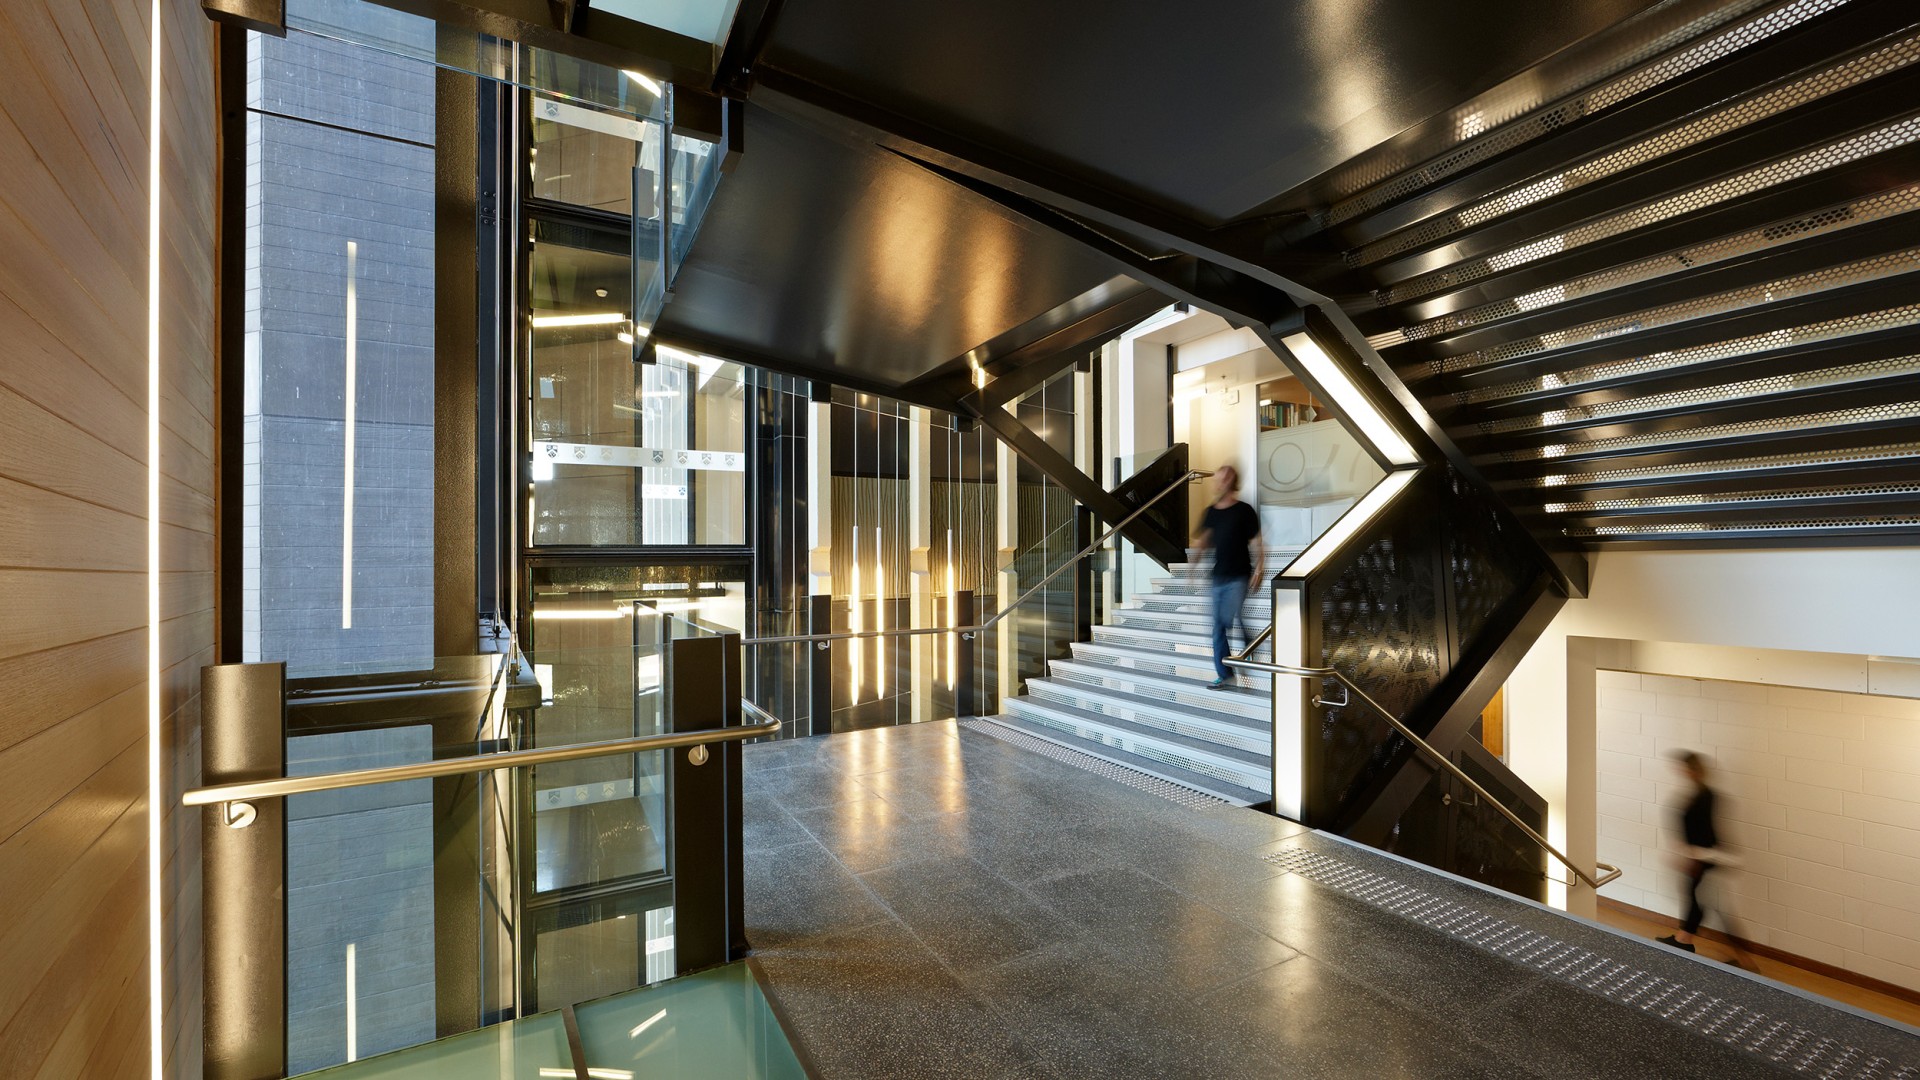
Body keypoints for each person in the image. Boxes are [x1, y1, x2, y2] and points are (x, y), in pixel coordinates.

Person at [1657, 751, 1748, 966]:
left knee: (1712, 905)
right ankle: (1683, 939)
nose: (1680, 771)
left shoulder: (1705, 797)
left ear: (1691, 770)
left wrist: (1695, 858)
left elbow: (1705, 833)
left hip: (1703, 859)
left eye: (1683, 767)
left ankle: (1744, 959)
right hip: (1701, 857)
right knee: (1698, 900)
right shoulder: (1701, 794)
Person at [1194, 464, 1262, 690]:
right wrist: (1192, 566)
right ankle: (1226, 674)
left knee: (1223, 621)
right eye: (1217, 479)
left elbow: (1257, 542)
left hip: (1239, 576)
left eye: (1222, 479)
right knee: (1220, 626)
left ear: (1231, 483)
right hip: (1218, 577)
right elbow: (1203, 541)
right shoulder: (1211, 512)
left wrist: (1260, 568)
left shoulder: (1244, 511)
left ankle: (1247, 647)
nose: (1217, 483)